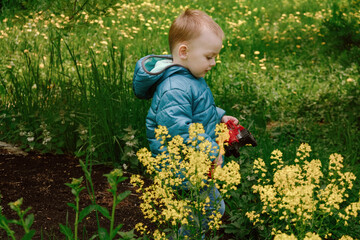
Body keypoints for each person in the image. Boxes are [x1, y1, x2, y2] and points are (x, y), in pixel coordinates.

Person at [133, 9, 239, 239]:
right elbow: (179, 129)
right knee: (206, 210)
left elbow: (199, 111)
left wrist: (220, 116)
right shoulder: (175, 87)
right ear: (184, 51)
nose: (213, 63)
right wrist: (211, 150)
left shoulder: (189, 78)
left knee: (205, 210)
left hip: (194, 162)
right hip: (182, 165)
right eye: (209, 57)